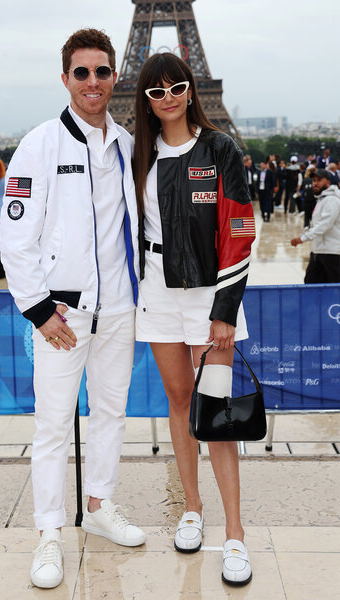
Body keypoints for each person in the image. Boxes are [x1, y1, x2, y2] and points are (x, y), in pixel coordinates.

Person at [0, 28, 145, 590]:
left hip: (119, 311)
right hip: (63, 315)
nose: (92, 81)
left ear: (114, 77)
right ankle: (49, 533)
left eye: (101, 72)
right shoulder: (39, 144)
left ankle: (100, 507)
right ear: (65, 79)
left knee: (110, 414)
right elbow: (15, 237)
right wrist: (38, 311)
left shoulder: (128, 145)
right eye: (81, 72)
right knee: (53, 426)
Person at [133, 52, 255, 586]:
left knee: (219, 412)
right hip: (158, 290)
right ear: (146, 99)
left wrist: (225, 311)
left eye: (176, 86)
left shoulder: (220, 148)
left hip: (210, 293)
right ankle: (192, 509)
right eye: (156, 91)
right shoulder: (137, 155)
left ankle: (234, 533)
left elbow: (241, 230)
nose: (168, 98)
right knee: (180, 402)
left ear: (190, 88)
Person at [290, 169, 340, 282]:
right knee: (310, 284)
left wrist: (302, 238)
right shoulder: (322, 199)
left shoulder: (332, 200)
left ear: (328, 182)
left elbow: (324, 225)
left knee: (334, 289)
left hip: (332, 253)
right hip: (318, 252)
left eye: (319, 180)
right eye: (314, 180)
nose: (315, 183)